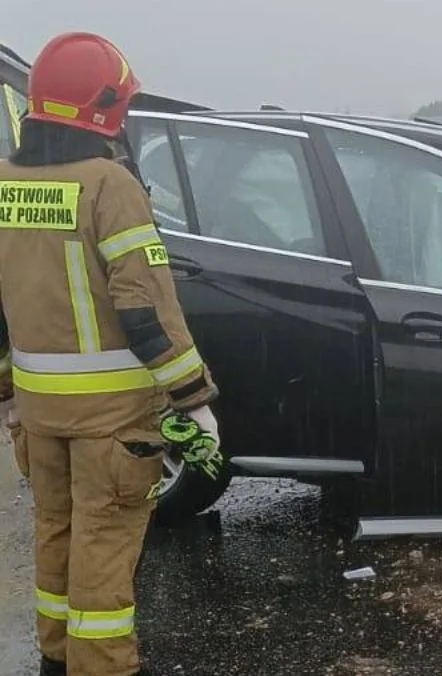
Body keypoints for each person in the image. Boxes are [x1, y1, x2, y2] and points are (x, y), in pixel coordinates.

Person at [0, 32, 221, 676]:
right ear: (103, 109)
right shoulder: (110, 184)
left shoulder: (6, 182)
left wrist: (7, 392)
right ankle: (101, 667)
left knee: (57, 532)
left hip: (39, 414)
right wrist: (194, 399)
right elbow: (145, 307)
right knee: (103, 543)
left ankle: (56, 657)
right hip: (113, 420)